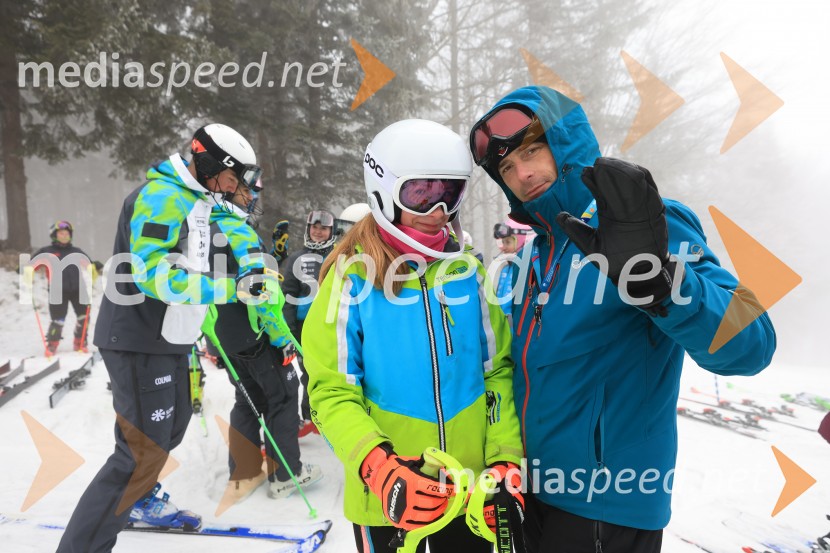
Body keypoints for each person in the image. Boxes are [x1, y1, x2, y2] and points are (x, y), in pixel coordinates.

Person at [468, 85, 776, 552]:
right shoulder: (533, 255)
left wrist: (664, 286)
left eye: (533, 151)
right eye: (507, 167)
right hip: (531, 497)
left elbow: (752, 343)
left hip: (607, 509)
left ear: (566, 142)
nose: (523, 174)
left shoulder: (643, 225)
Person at [302, 119, 524, 553]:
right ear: (384, 191)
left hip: (471, 498)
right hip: (392, 501)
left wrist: (503, 459)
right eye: (420, 194)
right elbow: (331, 392)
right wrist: (377, 467)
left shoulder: (469, 275)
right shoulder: (352, 278)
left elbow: (497, 372)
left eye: (450, 193)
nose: (437, 209)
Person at [56, 123, 279, 553]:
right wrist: (231, 288)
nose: (233, 189)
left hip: (169, 339)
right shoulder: (161, 197)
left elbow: (237, 228)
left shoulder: (200, 199)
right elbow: (151, 274)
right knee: (140, 454)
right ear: (210, 165)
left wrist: (254, 265)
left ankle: (138, 500)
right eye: (231, 179)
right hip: (138, 337)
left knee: (170, 432)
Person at [208, 179, 322, 500]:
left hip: (227, 335)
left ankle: (243, 472)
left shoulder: (207, 228)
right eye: (248, 190)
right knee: (284, 396)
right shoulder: (239, 231)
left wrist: (273, 254)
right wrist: (281, 337)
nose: (253, 197)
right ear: (230, 190)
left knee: (248, 399)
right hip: (256, 333)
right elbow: (261, 293)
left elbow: (232, 276)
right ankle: (286, 474)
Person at [279, 209, 336, 435]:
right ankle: (309, 415)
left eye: (323, 228)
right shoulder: (297, 259)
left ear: (331, 231)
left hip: (332, 325)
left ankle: (328, 415)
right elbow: (287, 297)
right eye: (314, 227)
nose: (318, 232)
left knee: (332, 372)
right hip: (305, 328)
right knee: (309, 373)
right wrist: (291, 331)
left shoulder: (338, 255)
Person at [30, 221, 95, 355]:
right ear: (54, 235)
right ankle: (52, 344)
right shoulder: (47, 252)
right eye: (61, 234)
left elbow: (90, 265)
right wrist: (25, 270)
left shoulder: (76, 251)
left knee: (84, 317)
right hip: (57, 291)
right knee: (58, 320)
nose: (65, 236)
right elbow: (32, 265)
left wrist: (94, 267)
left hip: (79, 289)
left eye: (67, 234)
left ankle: (80, 342)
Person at [492, 219, 535, 319]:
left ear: (522, 241)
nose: (504, 247)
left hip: (516, 327)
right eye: (503, 242)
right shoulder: (506, 269)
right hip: (503, 327)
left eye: (508, 242)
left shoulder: (527, 270)